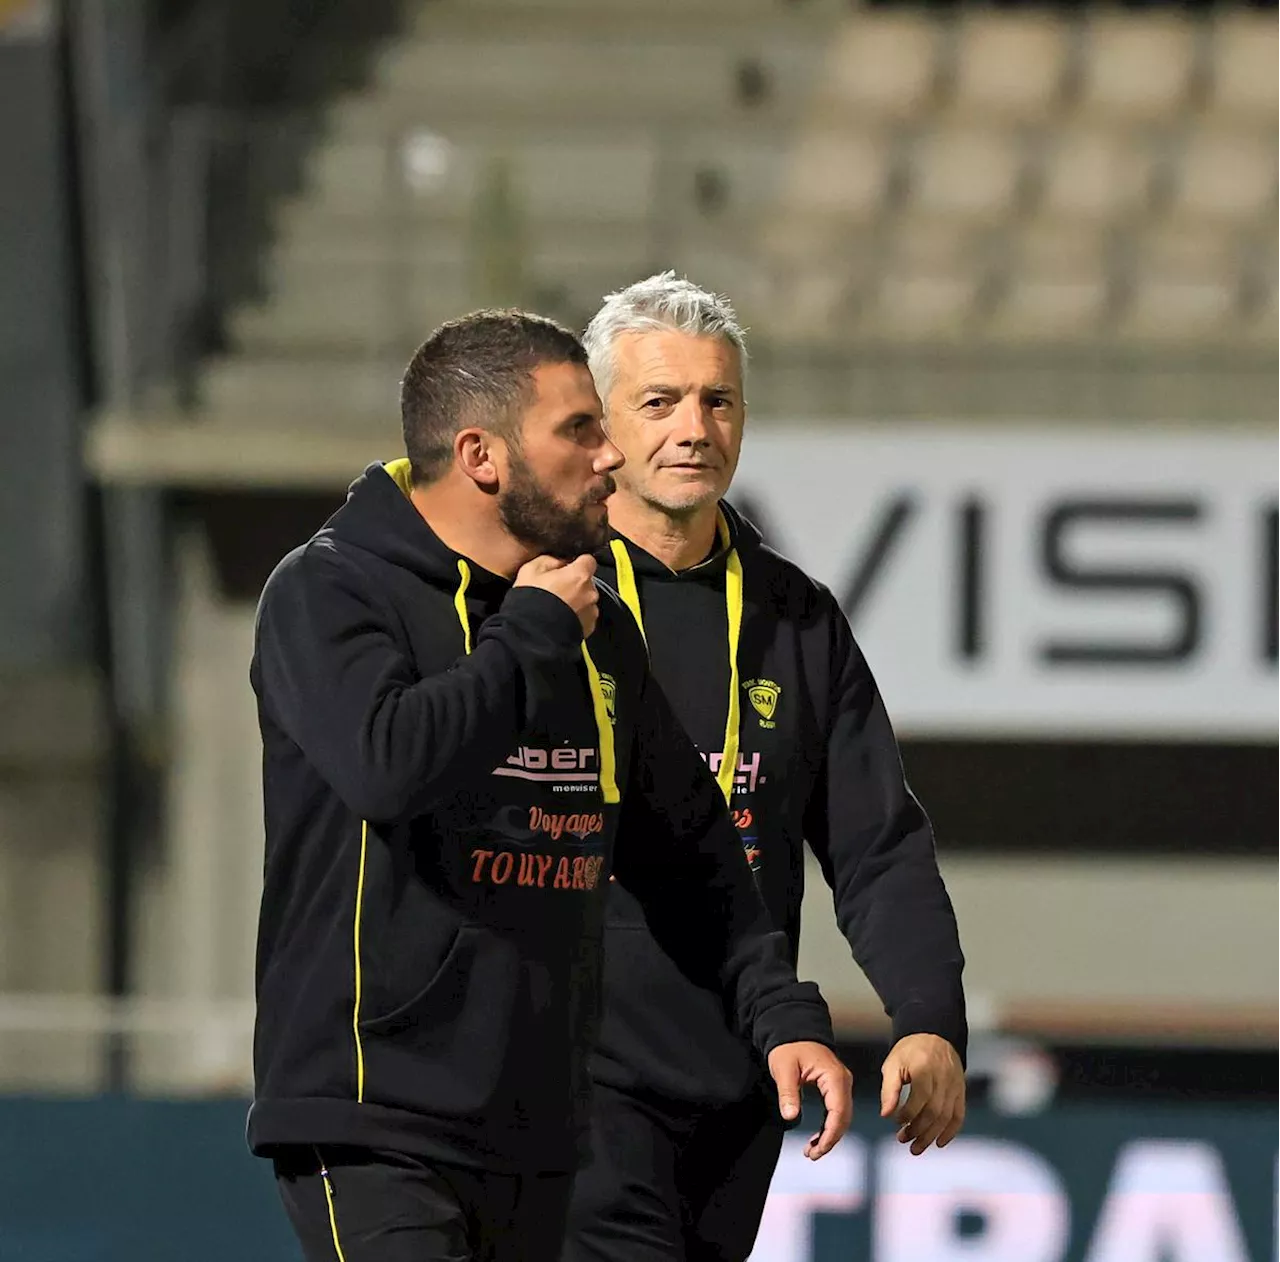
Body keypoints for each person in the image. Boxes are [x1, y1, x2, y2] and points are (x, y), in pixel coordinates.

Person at [247, 310, 853, 1262]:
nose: (612, 455)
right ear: (482, 455)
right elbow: (388, 763)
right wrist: (528, 634)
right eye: (579, 429)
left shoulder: (588, 619)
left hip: (542, 1136)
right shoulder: (330, 592)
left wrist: (779, 1013)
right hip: (376, 1123)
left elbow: (692, 849)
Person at [563, 275, 968, 1262]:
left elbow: (875, 843)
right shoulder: (539, 599)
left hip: (742, 1081)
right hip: (572, 1082)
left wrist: (927, 1017)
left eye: (718, 400)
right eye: (659, 402)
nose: (693, 426)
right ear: (600, 426)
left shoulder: (796, 616)